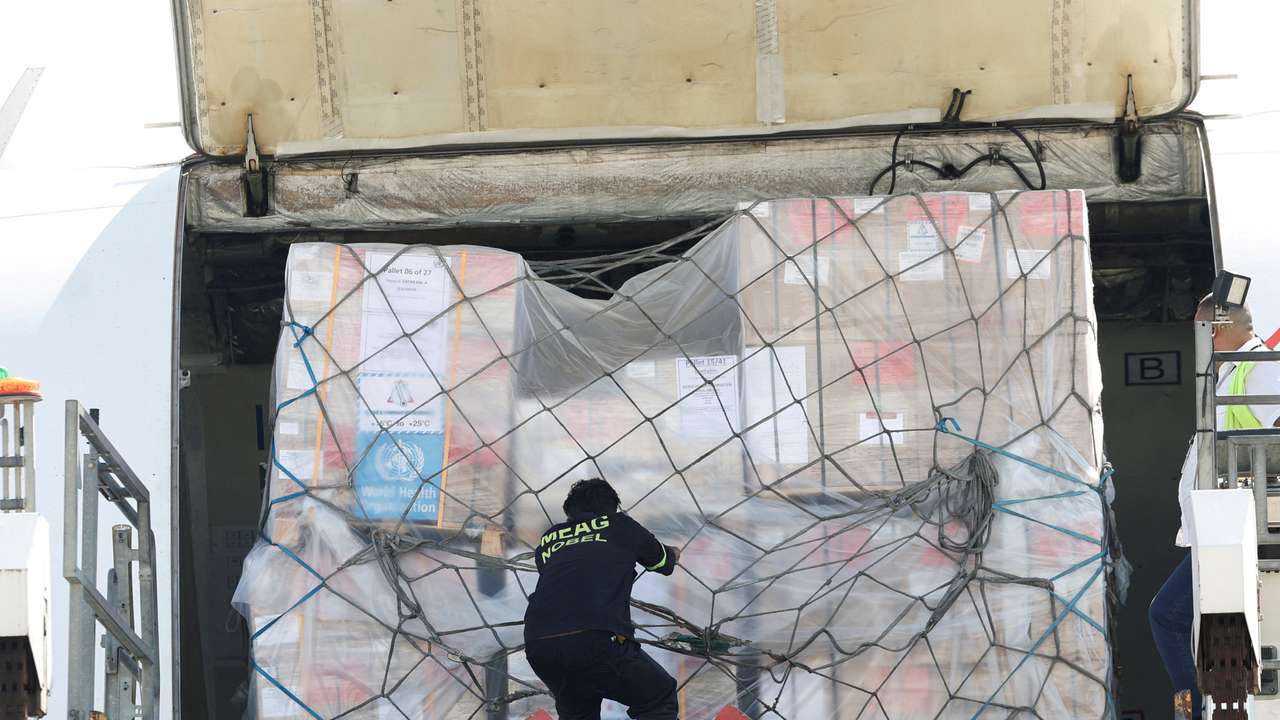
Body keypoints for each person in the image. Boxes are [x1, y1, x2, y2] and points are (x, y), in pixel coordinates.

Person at [1149, 295, 1280, 718]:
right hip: (1220, 529)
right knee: (1180, 621)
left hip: (1232, 528)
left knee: (1167, 617)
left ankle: (1193, 708)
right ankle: (1200, 705)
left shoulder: (1260, 368)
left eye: (1200, 331)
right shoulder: (1238, 371)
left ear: (1214, 330)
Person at [523, 477, 683, 720]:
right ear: (612, 507)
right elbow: (662, 562)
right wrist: (673, 552)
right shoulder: (621, 525)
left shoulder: (549, 538)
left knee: (580, 712)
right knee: (658, 695)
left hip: (541, 646)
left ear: (570, 512)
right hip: (596, 640)